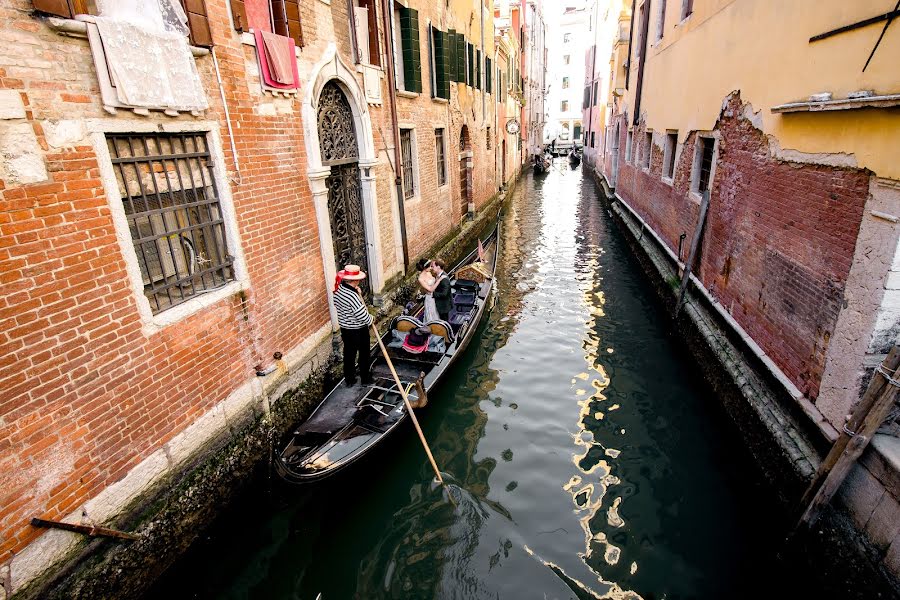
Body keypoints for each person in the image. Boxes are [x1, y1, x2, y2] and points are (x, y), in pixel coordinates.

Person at [333, 264, 373, 387]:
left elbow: (336, 303)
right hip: (358, 330)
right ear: (355, 280)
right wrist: (372, 319)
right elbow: (362, 315)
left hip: (345, 329)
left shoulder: (339, 290)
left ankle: (350, 380)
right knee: (364, 354)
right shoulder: (352, 296)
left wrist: (356, 292)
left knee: (349, 354)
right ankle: (365, 379)